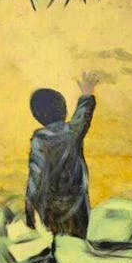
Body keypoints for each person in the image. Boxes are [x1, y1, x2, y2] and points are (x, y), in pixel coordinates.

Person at [25, 72, 98, 239]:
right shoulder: (71, 132)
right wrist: (87, 95)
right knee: (78, 243)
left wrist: (30, 205)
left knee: (54, 243)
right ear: (64, 109)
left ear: (38, 116)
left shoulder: (39, 139)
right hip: (76, 203)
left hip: (50, 205)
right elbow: (82, 118)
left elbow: (35, 175)